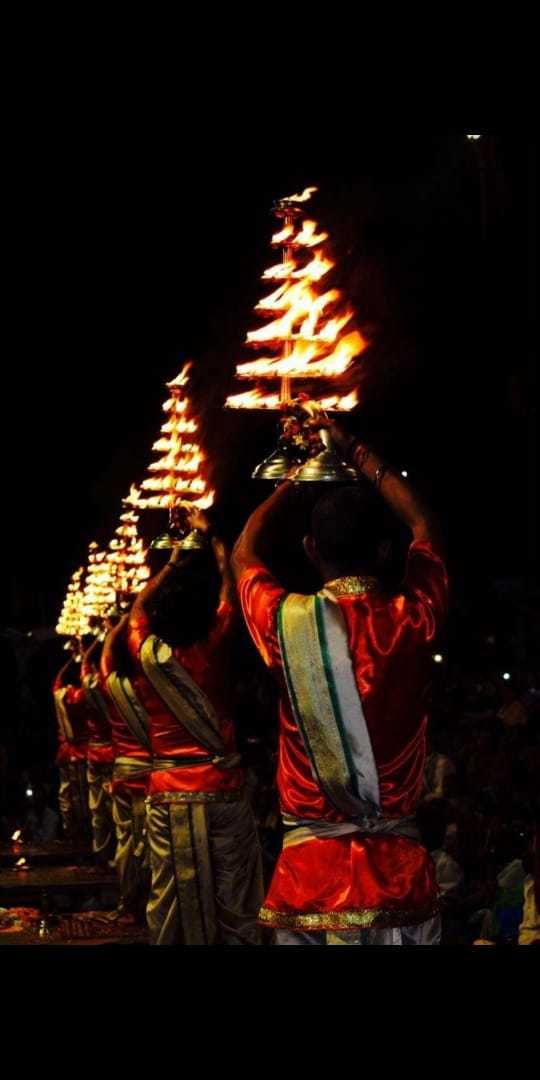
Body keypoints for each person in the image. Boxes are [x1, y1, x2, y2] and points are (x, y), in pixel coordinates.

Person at [232, 425, 449, 944]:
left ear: (310, 548)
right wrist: (355, 451)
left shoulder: (286, 622)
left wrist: (296, 475)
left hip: (310, 876)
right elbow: (421, 521)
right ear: (382, 551)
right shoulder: (416, 620)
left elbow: (243, 552)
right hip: (400, 879)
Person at [127, 507, 264, 945]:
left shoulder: (146, 654)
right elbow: (230, 590)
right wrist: (214, 543)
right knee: (235, 898)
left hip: (167, 795)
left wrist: (169, 564)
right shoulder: (217, 641)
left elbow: (136, 610)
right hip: (222, 789)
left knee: (172, 902)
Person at [101, 612, 152, 921]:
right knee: (148, 844)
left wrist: (111, 631)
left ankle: (128, 902)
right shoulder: (154, 684)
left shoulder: (110, 685)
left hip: (123, 773)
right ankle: (146, 903)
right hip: (151, 773)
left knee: (125, 843)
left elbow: (102, 656)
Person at [81, 631, 116, 864]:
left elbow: (84, 665)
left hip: (97, 753)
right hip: (114, 754)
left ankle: (101, 853)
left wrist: (90, 649)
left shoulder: (86, 687)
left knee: (98, 810)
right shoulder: (110, 685)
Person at [52, 643, 91, 843]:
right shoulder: (78, 696)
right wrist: (85, 657)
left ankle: (70, 831)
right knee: (82, 796)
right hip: (82, 752)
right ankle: (82, 835)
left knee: (67, 794)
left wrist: (70, 660)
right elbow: (88, 684)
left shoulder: (58, 693)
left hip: (65, 753)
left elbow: (58, 680)